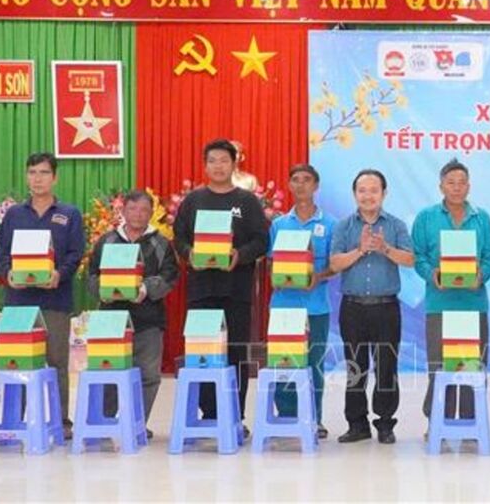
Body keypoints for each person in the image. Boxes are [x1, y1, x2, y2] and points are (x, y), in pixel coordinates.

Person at [173, 139, 269, 430]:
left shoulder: (247, 201)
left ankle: (235, 416)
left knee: (236, 352)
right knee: (203, 352)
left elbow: (261, 241)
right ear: (205, 166)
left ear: (233, 164)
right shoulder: (194, 201)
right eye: (212, 161)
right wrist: (189, 254)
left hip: (236, 290)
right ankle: (211, 414)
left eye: (224, 160)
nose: (218, 166)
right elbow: (179, 238)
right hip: (202, 290)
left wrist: (240, 255)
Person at [0, 152, 85, 439]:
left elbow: (76, 253)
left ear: (54, 177)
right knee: (18, 361)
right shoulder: (14, 214)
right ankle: (14, 420)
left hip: (55, 301)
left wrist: (59, 274)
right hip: (18, 303)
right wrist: (9, 273)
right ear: (26, 177)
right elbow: (1, 253)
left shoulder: (69, 214)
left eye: (44, 173)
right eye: (32, 172)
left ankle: (61, 421)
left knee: (57, 362)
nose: (38, 179)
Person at [330, 169, 414, 444]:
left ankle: (385, 424)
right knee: (356, 367)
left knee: (386, 367)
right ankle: (357, 424)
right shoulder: (343, 226)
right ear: (355, 194)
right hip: (353, 307)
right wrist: (361, 250)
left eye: (374, 190)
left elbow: (410, 259)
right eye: (362, 190)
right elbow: (334, 263)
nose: (368, 196)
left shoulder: (396, 225)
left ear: (384, 194)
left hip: (386, 307)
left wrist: (384, 249)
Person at [87, 190, 180, 437]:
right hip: (110, 318)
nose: (138, 214)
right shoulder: (106, 241)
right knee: (107, 371)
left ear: (151, 213)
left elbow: (170, 275)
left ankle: (137, 423)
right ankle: (105, 423)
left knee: (148, 375)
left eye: (144, 210)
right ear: (123, 211)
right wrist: (103, 290)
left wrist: (145, 288)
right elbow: (92, 274)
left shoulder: (161, 243)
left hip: (148, 318)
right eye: (133, 209)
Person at [411, 159, 490, 431]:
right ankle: (437, 421)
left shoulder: (482, 218)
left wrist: (481, 275)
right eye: (451, 183)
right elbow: (418, 256)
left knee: (473, 365)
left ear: (469, 186)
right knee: (439, 365)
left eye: (462, 183)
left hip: (474, 303)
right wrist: (431, 274)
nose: (457, 188)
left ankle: (471, 421)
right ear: (441, 186)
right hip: (440, 303)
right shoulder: (426, 218)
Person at [269, 164, 337, 439]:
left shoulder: (330, 224)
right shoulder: (278, 224)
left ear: (316, 185)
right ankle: (286, 417)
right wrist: (277, 277)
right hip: (283, 306)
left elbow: (335, 265)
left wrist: (318, 276)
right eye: (295, 180)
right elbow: (272, 262)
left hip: (316, 306)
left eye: (306, 180)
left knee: (313, 364)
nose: (301, 185)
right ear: (289, 185)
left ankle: (314, 418)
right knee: (284, 364)